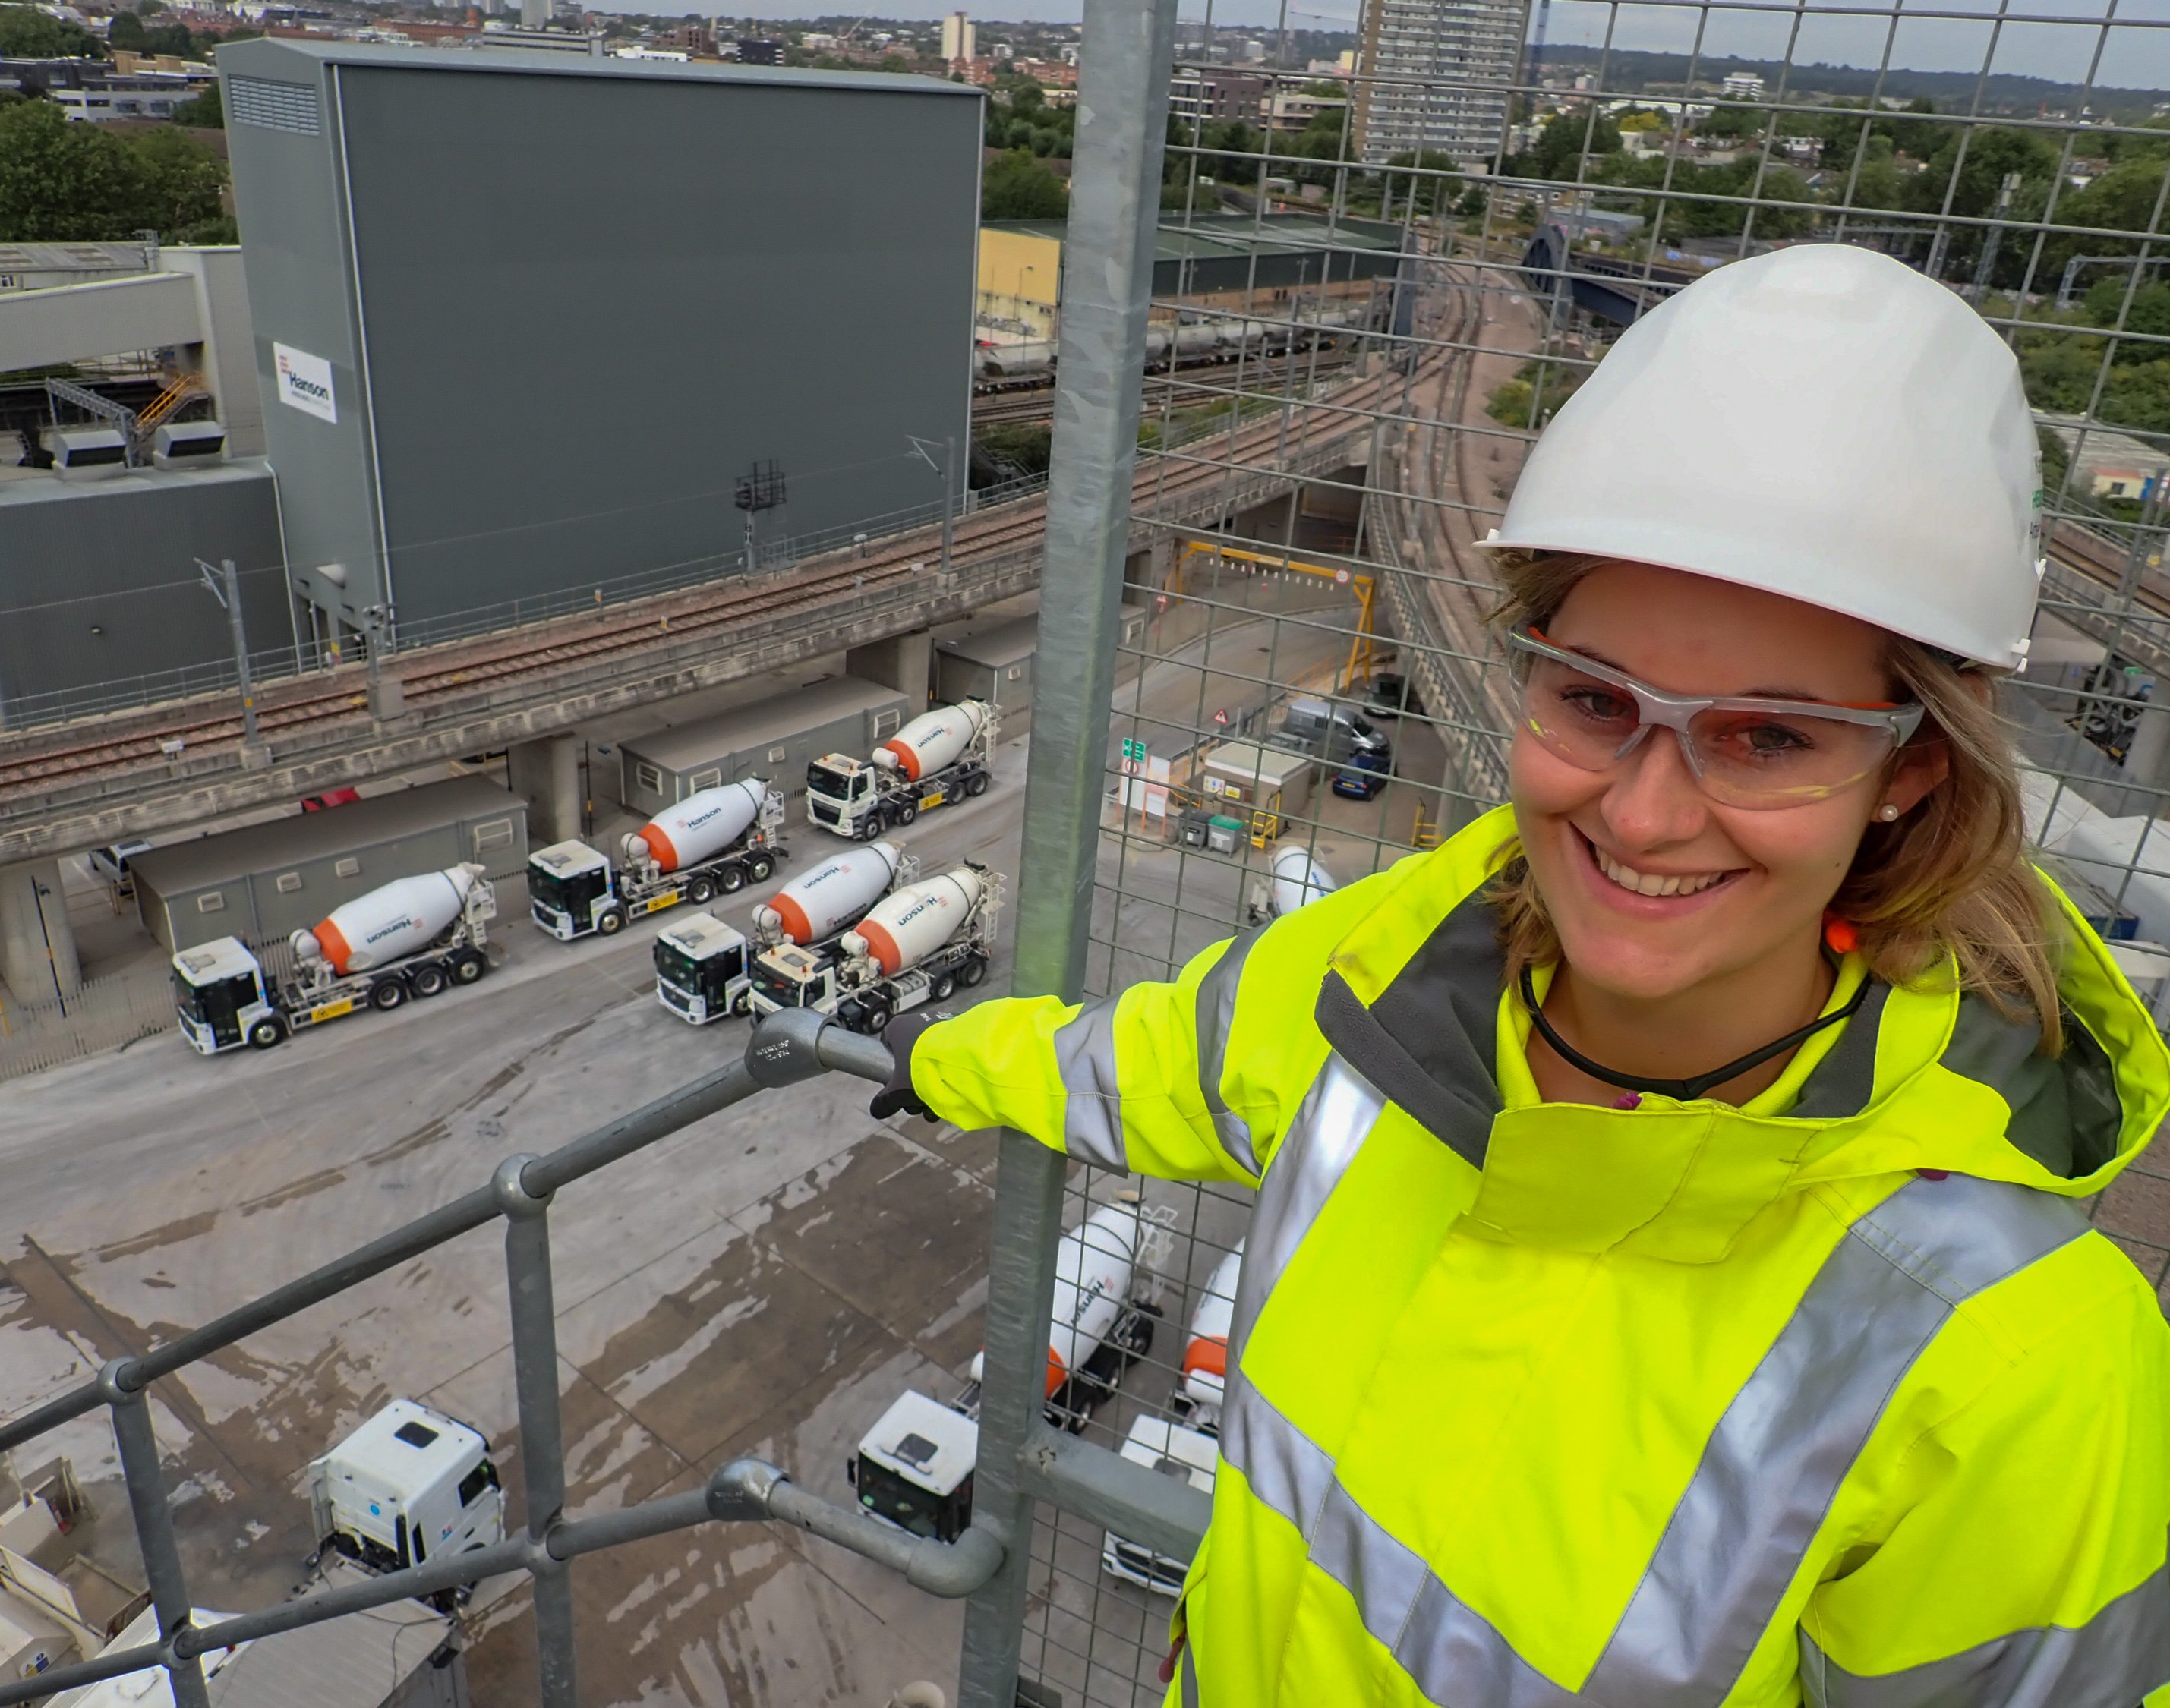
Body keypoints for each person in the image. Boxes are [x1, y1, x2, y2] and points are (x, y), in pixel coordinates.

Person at [871, 244, 2170, 1706]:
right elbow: (1174, 1059)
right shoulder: (1403, 959)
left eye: (1767, 736)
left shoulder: (2015, 1359)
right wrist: (942, 1054)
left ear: (1907, 769)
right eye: (1597, 700)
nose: (1643, 810)